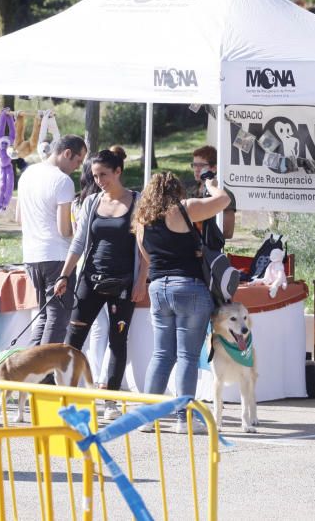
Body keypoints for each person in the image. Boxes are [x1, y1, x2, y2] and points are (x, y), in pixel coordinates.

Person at [54, 150, 148, 420]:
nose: (99, 181)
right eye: (95, 176)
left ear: (118, 171)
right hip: (90, 279)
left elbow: (145, 250)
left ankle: (111, 400)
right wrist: (64, 275)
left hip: (123, 282)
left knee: (117, 341)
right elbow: (79, 241)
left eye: (104, 175)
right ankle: (67, 396)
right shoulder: (92, 201)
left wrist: (141, 280)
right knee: (73, 340)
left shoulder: (137, 202)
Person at [136, 170, 230, 433]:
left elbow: (147, 256)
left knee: (162, 354)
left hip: (158, 288)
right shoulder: (184, 209)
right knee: (187, 356)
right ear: (177, 190)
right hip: (189, 286)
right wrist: (211, 185)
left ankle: (148, 417)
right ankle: (184, 418)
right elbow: (223, 201)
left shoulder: (143, 218)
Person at [18, 135, 88, 346]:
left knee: (44, 317)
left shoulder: (27, 174)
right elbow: (64, 229)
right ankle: (45, 375)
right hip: (56, 256)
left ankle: (30, 372)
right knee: (57, 320)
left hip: (31, 255)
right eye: (78, 160)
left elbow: (18, 218)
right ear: (67, 153)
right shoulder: (63, 180)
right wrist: (80, 231)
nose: (78, 167)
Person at [190, 145, 235, 248]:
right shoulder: (189, 192)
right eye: (194, 165)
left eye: (201, 165)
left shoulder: (223, 194)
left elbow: (228, 231)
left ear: (214, 168)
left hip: (211, 250)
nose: (196, 169)